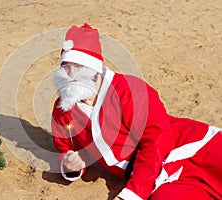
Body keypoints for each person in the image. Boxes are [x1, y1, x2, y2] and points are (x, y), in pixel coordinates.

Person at [51, 23, 222, 200]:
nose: (70, 74)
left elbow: (156, 137)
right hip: (163, 180)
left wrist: (133, 193)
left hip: (194, 146)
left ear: (94, 69)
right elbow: (67, 149)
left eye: (78, 67)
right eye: (65, 67)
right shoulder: (62, 111)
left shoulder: (129, 89)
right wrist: (70, 164)